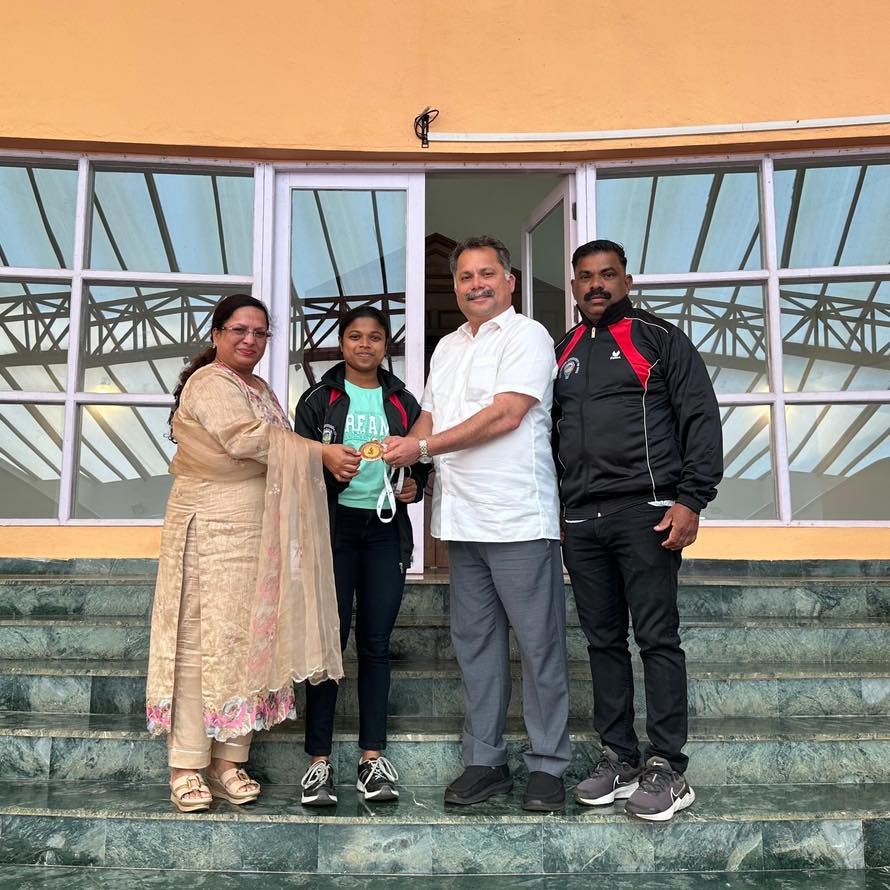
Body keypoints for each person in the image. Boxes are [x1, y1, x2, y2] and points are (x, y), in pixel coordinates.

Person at [384, 235, 571, 812]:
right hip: (462, 521)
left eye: (487, 273)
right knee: (475, 646)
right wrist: (403, 452)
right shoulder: (446, 347)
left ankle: (548, 765)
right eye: (465, 277)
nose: (476, 285)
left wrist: (422, 447)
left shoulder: (528, 336)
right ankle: (484, 761)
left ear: (509, 281)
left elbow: (506, 415)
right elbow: (430, 417)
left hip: (518, 517)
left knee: (539, 646)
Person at [146, 294, 351, 813]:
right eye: (239, 330)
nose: (250, 340)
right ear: (217, 334)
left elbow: (271, 448)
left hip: (257, 533)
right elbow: (247, 440)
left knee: (249, 642)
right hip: (208, 531)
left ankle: (228, 761)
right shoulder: (209, 382)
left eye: (260, 333)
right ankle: (187, 765)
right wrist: (321, 453)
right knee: (199, 642)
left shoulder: (258, 387)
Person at [552, 239, 723, 822]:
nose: (596, 285)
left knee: (656, 639)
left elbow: (700, 416)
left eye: (608, 275)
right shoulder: (562, 349)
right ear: (574, 286)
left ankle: (668, 767)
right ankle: (619, 758)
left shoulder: (658, 337)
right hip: (581, 520)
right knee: (602, 642)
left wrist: (692, 499)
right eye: (586, 277)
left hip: (645, 512)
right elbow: (549, 436)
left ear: (626, 281)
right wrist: (558, 511)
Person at [294, 306, 429, 805]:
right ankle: (318, 762)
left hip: (384, 530)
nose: (365, 345)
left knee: (375, 643)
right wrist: (327, 470)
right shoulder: (318, 398)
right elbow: (297, 463)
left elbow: (421, 456)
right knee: (330, 643)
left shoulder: (403, 400)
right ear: (342, 343)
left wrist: (416, 484)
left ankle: (372, 760)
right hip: (335, 531)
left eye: (374, 337)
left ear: (386, 344)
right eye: (355, 336)